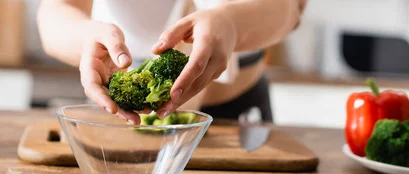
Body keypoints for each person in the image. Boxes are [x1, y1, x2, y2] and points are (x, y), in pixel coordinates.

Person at [37, 0, 307, 124]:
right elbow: (55, 11)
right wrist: (85, 38)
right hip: (121, 118)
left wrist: (231, 24)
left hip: (238, 118)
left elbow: (291, 8)